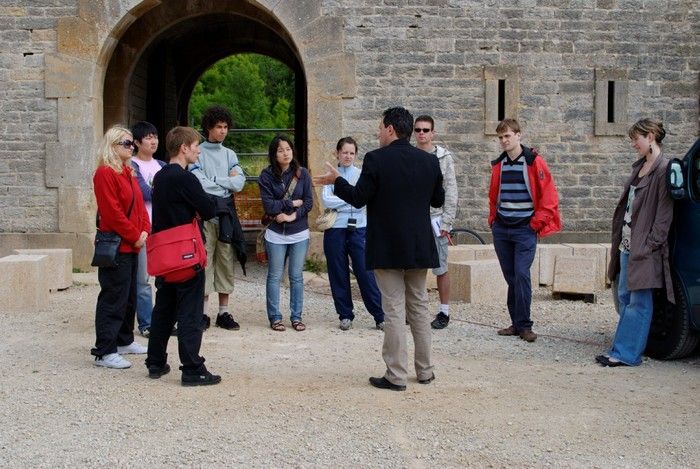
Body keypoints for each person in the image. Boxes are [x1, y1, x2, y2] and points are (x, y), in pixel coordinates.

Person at [313, 107, 444, 391]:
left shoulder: (376, 159)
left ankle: (396, 375)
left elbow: (358, 199)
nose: (377, 131)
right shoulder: (429, 161)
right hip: (420, 245)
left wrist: (336, 181)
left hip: (388, 245)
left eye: (379, 126)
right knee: (419, 308)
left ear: (390, 129)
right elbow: (437, 199)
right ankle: (425, 371)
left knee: (394, 309)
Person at [145, 126, 221, 386]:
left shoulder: (161, 176)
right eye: (195, 145)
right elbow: (208, 208)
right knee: (190, 311)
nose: (198, 150)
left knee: (164, 308)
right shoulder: (184, 178)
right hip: (185, 253)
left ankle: (155, 361)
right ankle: (192, 368)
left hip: (164, 253)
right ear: (183, 148)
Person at [596, 119, 674, 367]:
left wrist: (650, 244)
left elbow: (664, 214)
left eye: (636, 139)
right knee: (626, 298)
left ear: (650, 137)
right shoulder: (641, 166)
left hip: (644, 247)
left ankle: (627, 355)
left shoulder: (663, 168)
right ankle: (618, 350)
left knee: (640, 301)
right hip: (627, 244)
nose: (633, 144)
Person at [488, 118, 561, 343]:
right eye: (500, 137)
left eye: (507, 136)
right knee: (512, 278)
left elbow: (549, 197)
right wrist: (493, 221)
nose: (504, 140)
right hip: (502, 228)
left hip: (524, 229)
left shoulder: (534, 162)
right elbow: (493, 196)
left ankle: (525, 325)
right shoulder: (499, 164)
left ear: (518, 135)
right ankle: (516, 323)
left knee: (521, 275)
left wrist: (534, 225)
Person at [91, 125, 150, 369]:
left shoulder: (128, 172)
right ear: (112, 146)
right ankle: (104, 350)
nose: (132, 147)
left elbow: (139, 205)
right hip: (118, 245)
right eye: (126, 143)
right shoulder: (105, 173)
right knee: (113, 297)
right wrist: (135, 234)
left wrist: (145, 228)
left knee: (129, 297)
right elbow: (111, 213)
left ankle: (124, 339)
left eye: (131, 144)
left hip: (132, 244)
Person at [189, 105, 245, 330]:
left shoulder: (230, 154)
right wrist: (225, 181)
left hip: (226, 216)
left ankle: (224, 312)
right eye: (218, 127)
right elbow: (199, 183)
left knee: (225, 260)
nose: (222, 131)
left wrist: (214, 179)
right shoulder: (198, 152)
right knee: (205, 260)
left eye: (225, 127)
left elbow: (239, 183)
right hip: (205, 214)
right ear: (209, 128)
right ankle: (202, 313)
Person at [322, 137, 385, 331]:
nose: (348, 156)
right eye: (344, 152)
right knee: (338, 272)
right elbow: (327, 200)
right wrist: (353, 198)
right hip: (335, 229)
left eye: (351, 153)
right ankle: (345, 314)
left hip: (359, 229)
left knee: (365, 273)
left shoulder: (361, 174)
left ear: (356, 155)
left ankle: (380, 315)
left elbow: (365, 199)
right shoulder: (331, 174)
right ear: (337, 153)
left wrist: (349, 197)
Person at [259, 135, 314, 332]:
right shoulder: (266, 176)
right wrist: (291, 203)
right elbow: (268, 205)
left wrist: (292, 216)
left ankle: (296, 316)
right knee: (274, 276)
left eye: (288, 149)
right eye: (281, 150)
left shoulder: (302, 174)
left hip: (299, 232)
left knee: (296, 276)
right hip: (275, 233)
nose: (285, 153)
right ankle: (275, 317)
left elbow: (308, 202)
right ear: (274, 154)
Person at [413, 115, 458, 329]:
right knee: (413, 266)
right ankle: (415, 310)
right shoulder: (409, 155)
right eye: (418, 130)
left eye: (425, 130)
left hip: (436, 216)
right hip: (413, 218)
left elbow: (451, 190)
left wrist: (447, 222)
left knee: (441, 267)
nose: (422, 133)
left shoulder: (443, 157)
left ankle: (444, 311)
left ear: (433, 133)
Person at [130, 121, 165, 337]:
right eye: (148, 137)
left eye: (155, 136)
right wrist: (166, 191)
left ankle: (163, 320)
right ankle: (146, 323)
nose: (153, 141)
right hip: (142, 228)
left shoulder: (161, 164)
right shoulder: (132, 166)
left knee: (164, 278)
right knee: (142, 280)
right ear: (136, 142)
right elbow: (146, 193)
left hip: (161, 228)